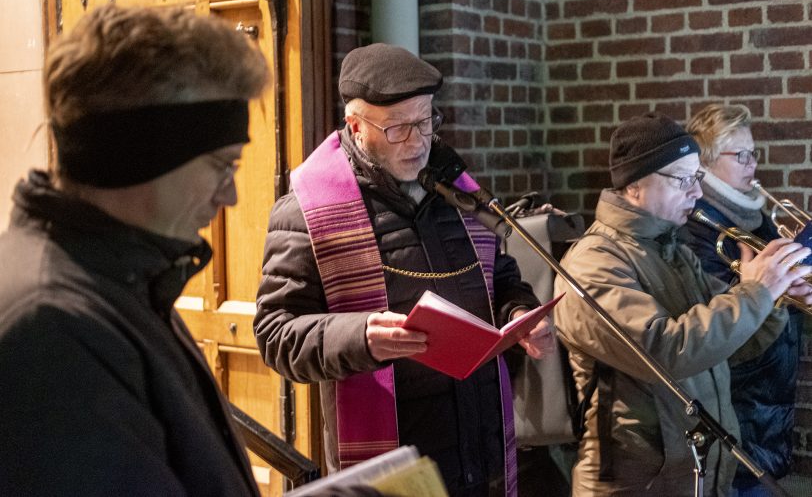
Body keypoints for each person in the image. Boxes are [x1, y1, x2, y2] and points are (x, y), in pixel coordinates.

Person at [254, 43, 553, 496]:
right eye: (398, 129)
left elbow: (502, 277)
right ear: (356, 126)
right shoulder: (307, 211)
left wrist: (518, 315)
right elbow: (276, 334)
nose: (418, 142)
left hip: (481, 441)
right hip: (397, 452)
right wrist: (362, 336)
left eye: (426, 122)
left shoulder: (458, 193)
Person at [0, 4, 270, 496]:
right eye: (222, 165)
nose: (229, 196)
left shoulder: (120, 278)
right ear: (140, 155)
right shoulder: (53, 328)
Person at [552, 113, 812, 495]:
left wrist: (773, 300)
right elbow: (667, 351)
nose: (696, 192)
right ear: (635, 185)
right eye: (683, 179)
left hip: (697, 475)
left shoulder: (672, 251)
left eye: (697, 178)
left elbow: (728, 350)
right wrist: (757, 292)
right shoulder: (594, 262)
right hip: (637, 483)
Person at [683, 104, 804, 496]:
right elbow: (717, 319)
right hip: (736, 408)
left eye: (754, 154)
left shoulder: (760, 218)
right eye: (741, 156)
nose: (753, 164)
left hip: (770, 408)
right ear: (706, 161)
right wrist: (775, 293)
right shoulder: (697, 226)